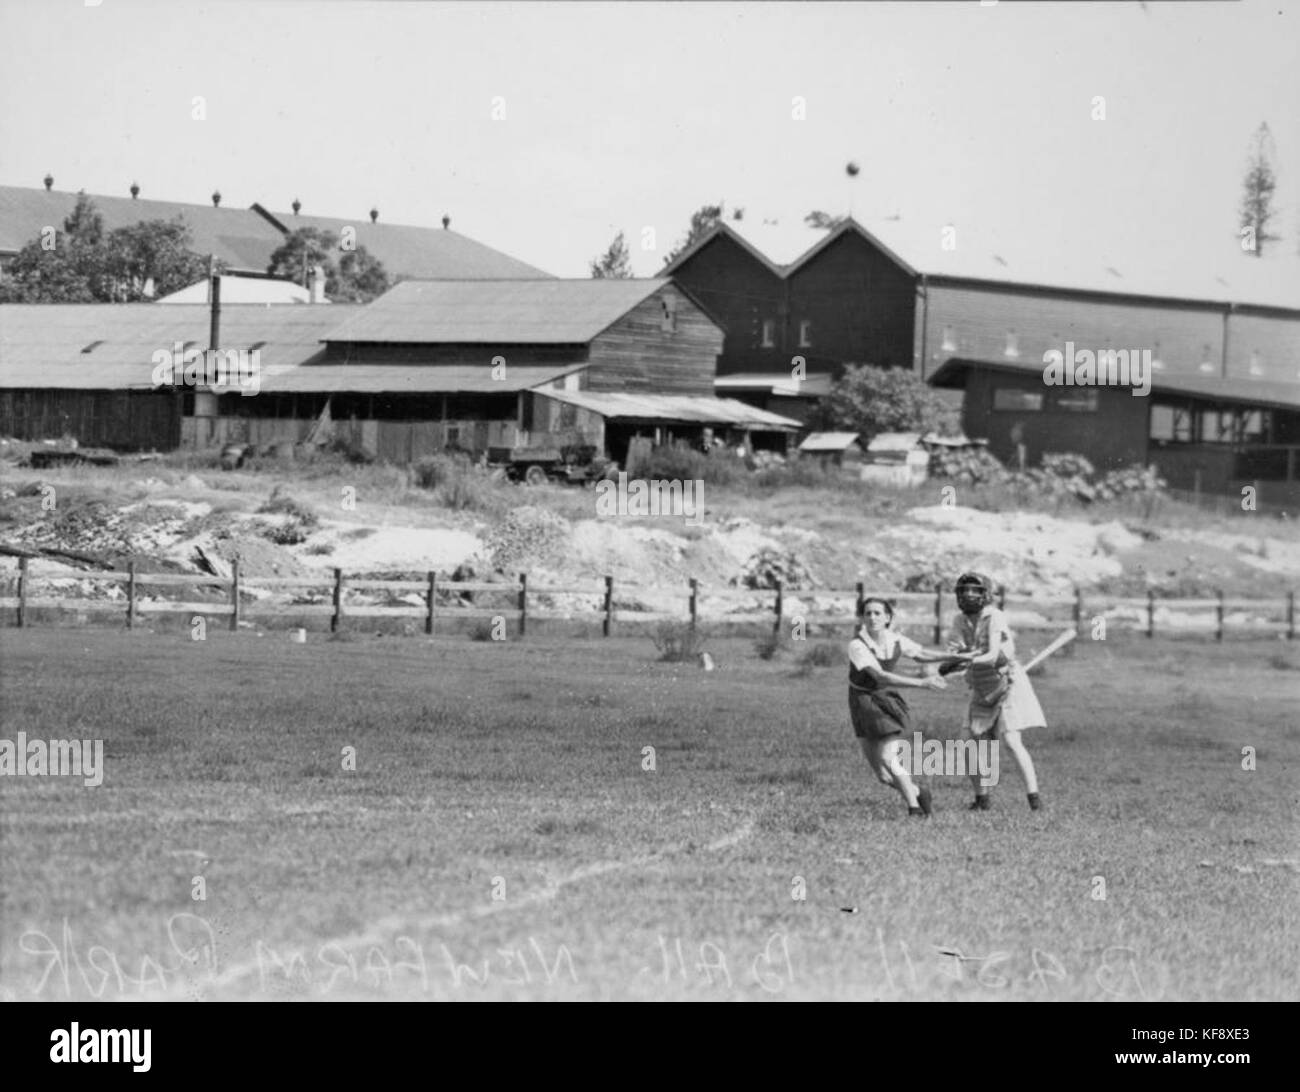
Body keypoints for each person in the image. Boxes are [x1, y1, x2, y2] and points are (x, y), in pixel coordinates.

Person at [945, 572, 1044, 811]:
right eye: (965, 590)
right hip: (981, 685)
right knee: (967, 742)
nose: (969, 595)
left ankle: (1034, 801)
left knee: (1010, 740)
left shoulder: (995, 616)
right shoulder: (959, 621)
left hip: (1007, 681)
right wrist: (951, 661)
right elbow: (952, 652)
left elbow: (991, 655)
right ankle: (982, 800)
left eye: (975, 590)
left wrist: (966, 659)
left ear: (984, 594)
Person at [848, 597, 955, 818]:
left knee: (889, 757)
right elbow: (880, 675)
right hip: (861, 703)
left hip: (886, 703)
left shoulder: (895, 640)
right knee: (883, 776)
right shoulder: (857, 644)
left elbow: (922, 654)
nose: (872, 617)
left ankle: (913, 810)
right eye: (868, 613)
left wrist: (956, 656)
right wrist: (923, 683)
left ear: (887, 618)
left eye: (877, 613)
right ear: (862, 618)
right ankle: (918, 792)